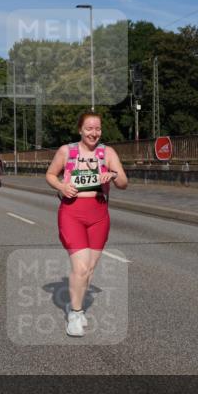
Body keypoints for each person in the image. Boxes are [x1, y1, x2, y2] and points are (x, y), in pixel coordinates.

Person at [45, 111, 128, 337]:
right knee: (80, 267)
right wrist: (62, 187)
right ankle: (75, 312)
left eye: (98, 129)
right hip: (72, 213)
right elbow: (51, 175)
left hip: (99, 214)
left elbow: (123, 182)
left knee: (89, 269)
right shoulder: (67, 151)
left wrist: (111, 174)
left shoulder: (107, 153)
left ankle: (76, 304)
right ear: (80, 130)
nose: (94, 133)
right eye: (89, 128)